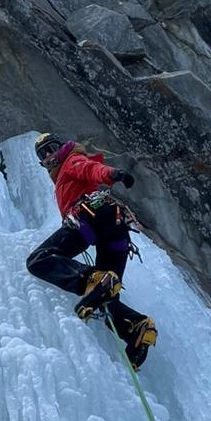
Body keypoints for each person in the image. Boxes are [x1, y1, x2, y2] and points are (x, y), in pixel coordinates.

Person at [26, 132, 158, 370]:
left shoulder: (72, 161)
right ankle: (137, 328)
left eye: (51, 148)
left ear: (62, 146)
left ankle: (92, 279)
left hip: (91, 218)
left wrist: (112, 175)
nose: (48, 156)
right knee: (105, 297)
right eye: (42, 154)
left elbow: (90, 169)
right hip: (114, 233)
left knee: (38, 260)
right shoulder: (64, 173)